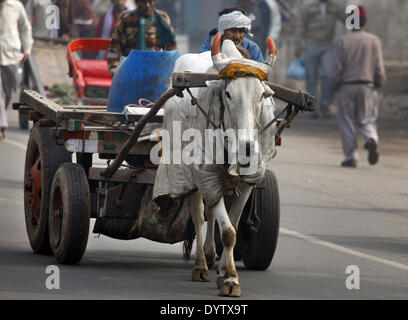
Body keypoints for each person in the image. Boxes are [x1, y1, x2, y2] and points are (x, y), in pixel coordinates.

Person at [330, 6, 386, 168]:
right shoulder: (374, 40)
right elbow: (379, 68)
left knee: (347, 122)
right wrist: (378, 83)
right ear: (364, 21)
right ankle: (371, 138)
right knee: (367, 119)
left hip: (346, 86)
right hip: (367, 85)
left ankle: (351, 156)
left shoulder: (343, 42)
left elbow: (336, 70)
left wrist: (335, 85)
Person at [295, 0, 345, 118]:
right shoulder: (309, 7)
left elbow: (347, 20)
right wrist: (297, 47)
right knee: (311, 76)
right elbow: (300, 27)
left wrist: (358, 29)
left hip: (328, 45)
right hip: (311, 45)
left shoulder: (335, 7)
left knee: (329, 75)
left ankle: (325, 104)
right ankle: (312, 107)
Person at [107, 0, 177, 75]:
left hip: (156, 75)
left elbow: (171, 49)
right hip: (129, 74)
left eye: (150, 2)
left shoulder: (162, 20)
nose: (147, 5)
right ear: (136, 2)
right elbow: (115, 48)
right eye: (143, 2)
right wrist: (117, 73)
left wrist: (168, 72)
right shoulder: (126, 19)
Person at [0, 0, 33, 139]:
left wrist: (26, 48)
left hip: (11, 54)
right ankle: (1, 125)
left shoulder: (15, 6)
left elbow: (25, 28)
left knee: (10, 90)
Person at [199, 7, 264, 63]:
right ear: (223, 30)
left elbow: (263, 75)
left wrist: (248, 60)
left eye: (241, 31)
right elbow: (200, 63)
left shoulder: (252, 48)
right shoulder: (212, 42)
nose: (237, 36)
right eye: (233, 31)